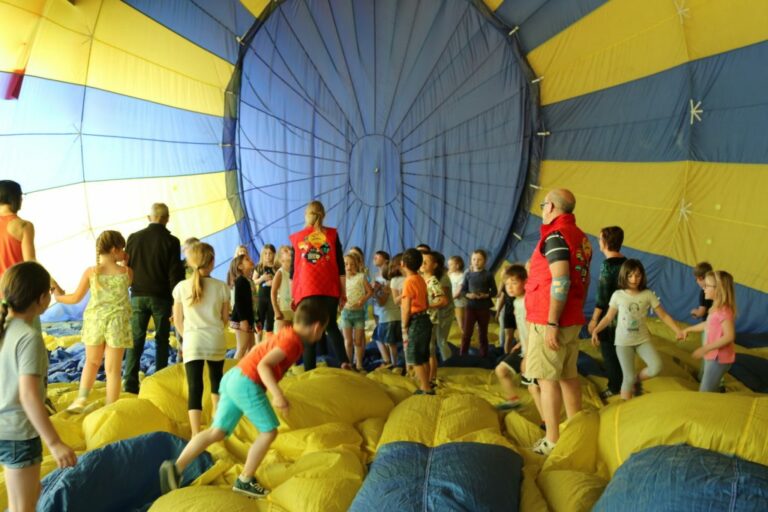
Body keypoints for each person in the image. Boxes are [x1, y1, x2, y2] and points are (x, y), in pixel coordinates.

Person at [158, 297, 329, 498]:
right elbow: (263, 366)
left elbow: (257, 350)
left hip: (234, 376)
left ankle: (176, 467)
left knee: (216, 432)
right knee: (269, 432)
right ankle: (245, 480)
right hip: (247, 382)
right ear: (317, 328)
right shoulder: (292, 342)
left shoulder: (286, 332)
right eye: (323, 331)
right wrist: (278, 395)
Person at [1, 262, 77, 511]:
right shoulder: (28, 337)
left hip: (5, 429)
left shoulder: (5, 328)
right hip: (19, 433)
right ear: (42, 298)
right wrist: (54, 443)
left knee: (28, 497)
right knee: (22, 507)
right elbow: (29, 396)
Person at [525, 189, 592, 456]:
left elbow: (561, 280)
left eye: (543, 205)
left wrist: (552, 322)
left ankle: (552, 439)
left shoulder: (555, 236)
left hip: (550, 319)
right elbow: (581, 280)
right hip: (572, 317)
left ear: (551, 206)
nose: (543, 209)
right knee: (568, 376)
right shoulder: (581, 237)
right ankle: (577, 430)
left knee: (547, 379)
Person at [55, 231, 133, 413]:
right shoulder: (127, 272)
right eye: (122, 249)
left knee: (91, 362)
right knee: (113, 370)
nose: (124, 252)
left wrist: (58, 297)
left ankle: (80, 400)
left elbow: (75, 298)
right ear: (114, 249)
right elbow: (127, 284)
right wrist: (124, 263)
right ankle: (110, 407)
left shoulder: (91, 272)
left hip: (95, 322)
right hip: (117, 324)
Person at [591, 259, 683, 401]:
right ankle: (624, 406)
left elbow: (663, 315)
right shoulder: (618, 295)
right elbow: (609, 317)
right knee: (627, 378)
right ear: (624, 276)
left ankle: (634, 380)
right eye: (630, 276)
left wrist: (677, 330)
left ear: (642, 276)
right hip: (623, 342)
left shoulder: (647, 294)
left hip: (642, 340)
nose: (634, 279)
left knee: (656, 366)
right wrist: (596, 330)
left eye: (638, 275)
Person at [124, 203, 185, 394]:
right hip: (162, 298)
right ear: (167, 219)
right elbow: (175, 274)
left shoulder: (133, 238)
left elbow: (127, 267)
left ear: (149, 217)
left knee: (136, 339)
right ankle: (159, 381)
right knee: (162, 339)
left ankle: (130, 382)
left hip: (138, 295)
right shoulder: (172, 242)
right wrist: (177, 302)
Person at [172, 243, 230, 435]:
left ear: (190, 262)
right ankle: (217, 425)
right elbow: (224, 319)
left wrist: (188, 335)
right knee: (216, 381)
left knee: (195, 387)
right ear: (212, 262)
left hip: (192, 342)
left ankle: (196, 433)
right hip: (215, 340)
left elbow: (177, 321)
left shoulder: (181, 287)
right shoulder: (222, 287)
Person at [289, 200, 351, 371]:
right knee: (331, 326)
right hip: (329, 289)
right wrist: (343, 293)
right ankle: (344, 362)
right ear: (323, 215)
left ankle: (309, 370)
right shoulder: (332, 235)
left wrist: (294, 295)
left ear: (306, 215)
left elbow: (293, 273)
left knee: (309, 330)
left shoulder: (297, 238)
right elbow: (340, 268)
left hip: (307, 290)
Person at [0, 180, 64, 296]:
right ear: (15, 198)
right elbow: (31, 262)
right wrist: (54, 286)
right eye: (21, 195)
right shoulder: (23, 226)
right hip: (18, 292)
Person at [586, 226, 627, 399]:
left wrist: (594, 320)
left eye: (600, 238)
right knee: (621, 350)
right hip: (625, 313)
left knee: (609, 351)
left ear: (605, 242)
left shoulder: (607, 265)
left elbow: (602, 297)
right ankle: (625, 381)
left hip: (610, 315)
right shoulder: (626, 262)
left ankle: (614, 386)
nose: (598, 241)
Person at [679, 270, 737, 392]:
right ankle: (718, 390)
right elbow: (708, 324)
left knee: (705, 391)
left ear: (719, 289)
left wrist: (705, 348)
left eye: (707, 286)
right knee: (710, 386)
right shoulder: (715, 308)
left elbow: (729, 336)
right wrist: (688, 329)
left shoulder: (724, 311)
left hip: (718, 358)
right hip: (713, 356)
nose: (703, 288)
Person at [494, 265, 539, 412]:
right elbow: (523, 327)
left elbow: (534, 329)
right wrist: (520, 343)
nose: (510, 287)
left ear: (525, 282)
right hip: (525, 348)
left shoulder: (527, 302)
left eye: (514, 283)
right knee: (501, 370)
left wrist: (528, 354)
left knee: (534, 387)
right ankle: (514, 400)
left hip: (533, 349)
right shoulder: (516, 301)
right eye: (507, 284)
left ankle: (546, 420)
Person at [400, 248, 432, 394]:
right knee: (424, 355)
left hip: (416, 321)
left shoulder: (408, 282)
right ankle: (427, 383)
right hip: (425, 318)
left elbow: (406, 308)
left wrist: (404, 324)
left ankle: (425, 388)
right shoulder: (420, 279)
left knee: (415, 357)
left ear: (403, 264)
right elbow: (426, 300)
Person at [459, 250, 497, 357]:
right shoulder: (468, 275)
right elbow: (463, 291)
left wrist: (485, 295)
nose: (476, 262)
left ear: (484, 261)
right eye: (474, 259)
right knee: (467, 332)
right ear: (471, 260)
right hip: (470, 307)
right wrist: (468, 295)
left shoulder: (488, 275)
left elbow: (494, 291)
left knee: (483, 332)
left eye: (479, 259)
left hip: (484, 307)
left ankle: (483, 355)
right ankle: (463, 354)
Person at [340, 252, 373, 371]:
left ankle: (359, 364)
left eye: (352, 264)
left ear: (356, 265)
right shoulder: (342, 279)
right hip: (346, 313)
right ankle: (348, 363)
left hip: (359, 314)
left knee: (358, 341)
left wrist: (363, 300)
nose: (349, 267)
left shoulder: (361, 277)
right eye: (346, 264)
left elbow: (370, 292)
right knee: (348, 341)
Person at [422, 251, 448, 386]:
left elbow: (443, 300)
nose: (423, 264)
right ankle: (427, 377)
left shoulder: (433, 281)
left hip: (430, 319)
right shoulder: (422, 279)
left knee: (430, 350)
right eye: (422, 261)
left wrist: (428, 305)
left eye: (426, 262)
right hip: (423, 318)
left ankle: (432, 378)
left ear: (435, 265)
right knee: (426, 349)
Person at [227, 253, 256, 359]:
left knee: (251, 348)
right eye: (247, 259)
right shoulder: (240, 281)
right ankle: (234, 368)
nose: (250, 260)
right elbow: (238, 302)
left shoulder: (247, 281)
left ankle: (247, 368)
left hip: (247, 319)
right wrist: (243, 320)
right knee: (242, 348)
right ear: (240, 266)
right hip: (241, 320)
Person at [253, 245, 277, 343]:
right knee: (259, 320)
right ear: (262, 255)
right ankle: (258, 344)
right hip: (261, 298)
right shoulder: (259, 267)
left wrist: (273, 282)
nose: (267, 256)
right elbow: (253, 281)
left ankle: (269, 343)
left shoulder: (277, 267)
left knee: (271, 321)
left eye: (270, 253)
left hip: (272, 298)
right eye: (265, 253)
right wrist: (262, 279)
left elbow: (281, 281)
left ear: (274, 254)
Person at [271, 246, 294, 332]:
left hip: (295, 310)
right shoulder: (280, 273)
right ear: (281, 259)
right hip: (283, 310)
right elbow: (273, 293)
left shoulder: (296, 272)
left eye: (290, 249)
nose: (289, 251)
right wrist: (276, 310)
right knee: (282, 337)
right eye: (286, 251)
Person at [447, 256, 466, 336]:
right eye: (448, 265)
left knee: (461, 323)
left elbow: (458, 292)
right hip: (452, 301)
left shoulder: (462, 276)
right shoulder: (451, 274)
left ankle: (465, 337)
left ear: (457, 266)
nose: (449, 267)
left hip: (459, 303)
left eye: (451, 265)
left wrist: (449, 299)